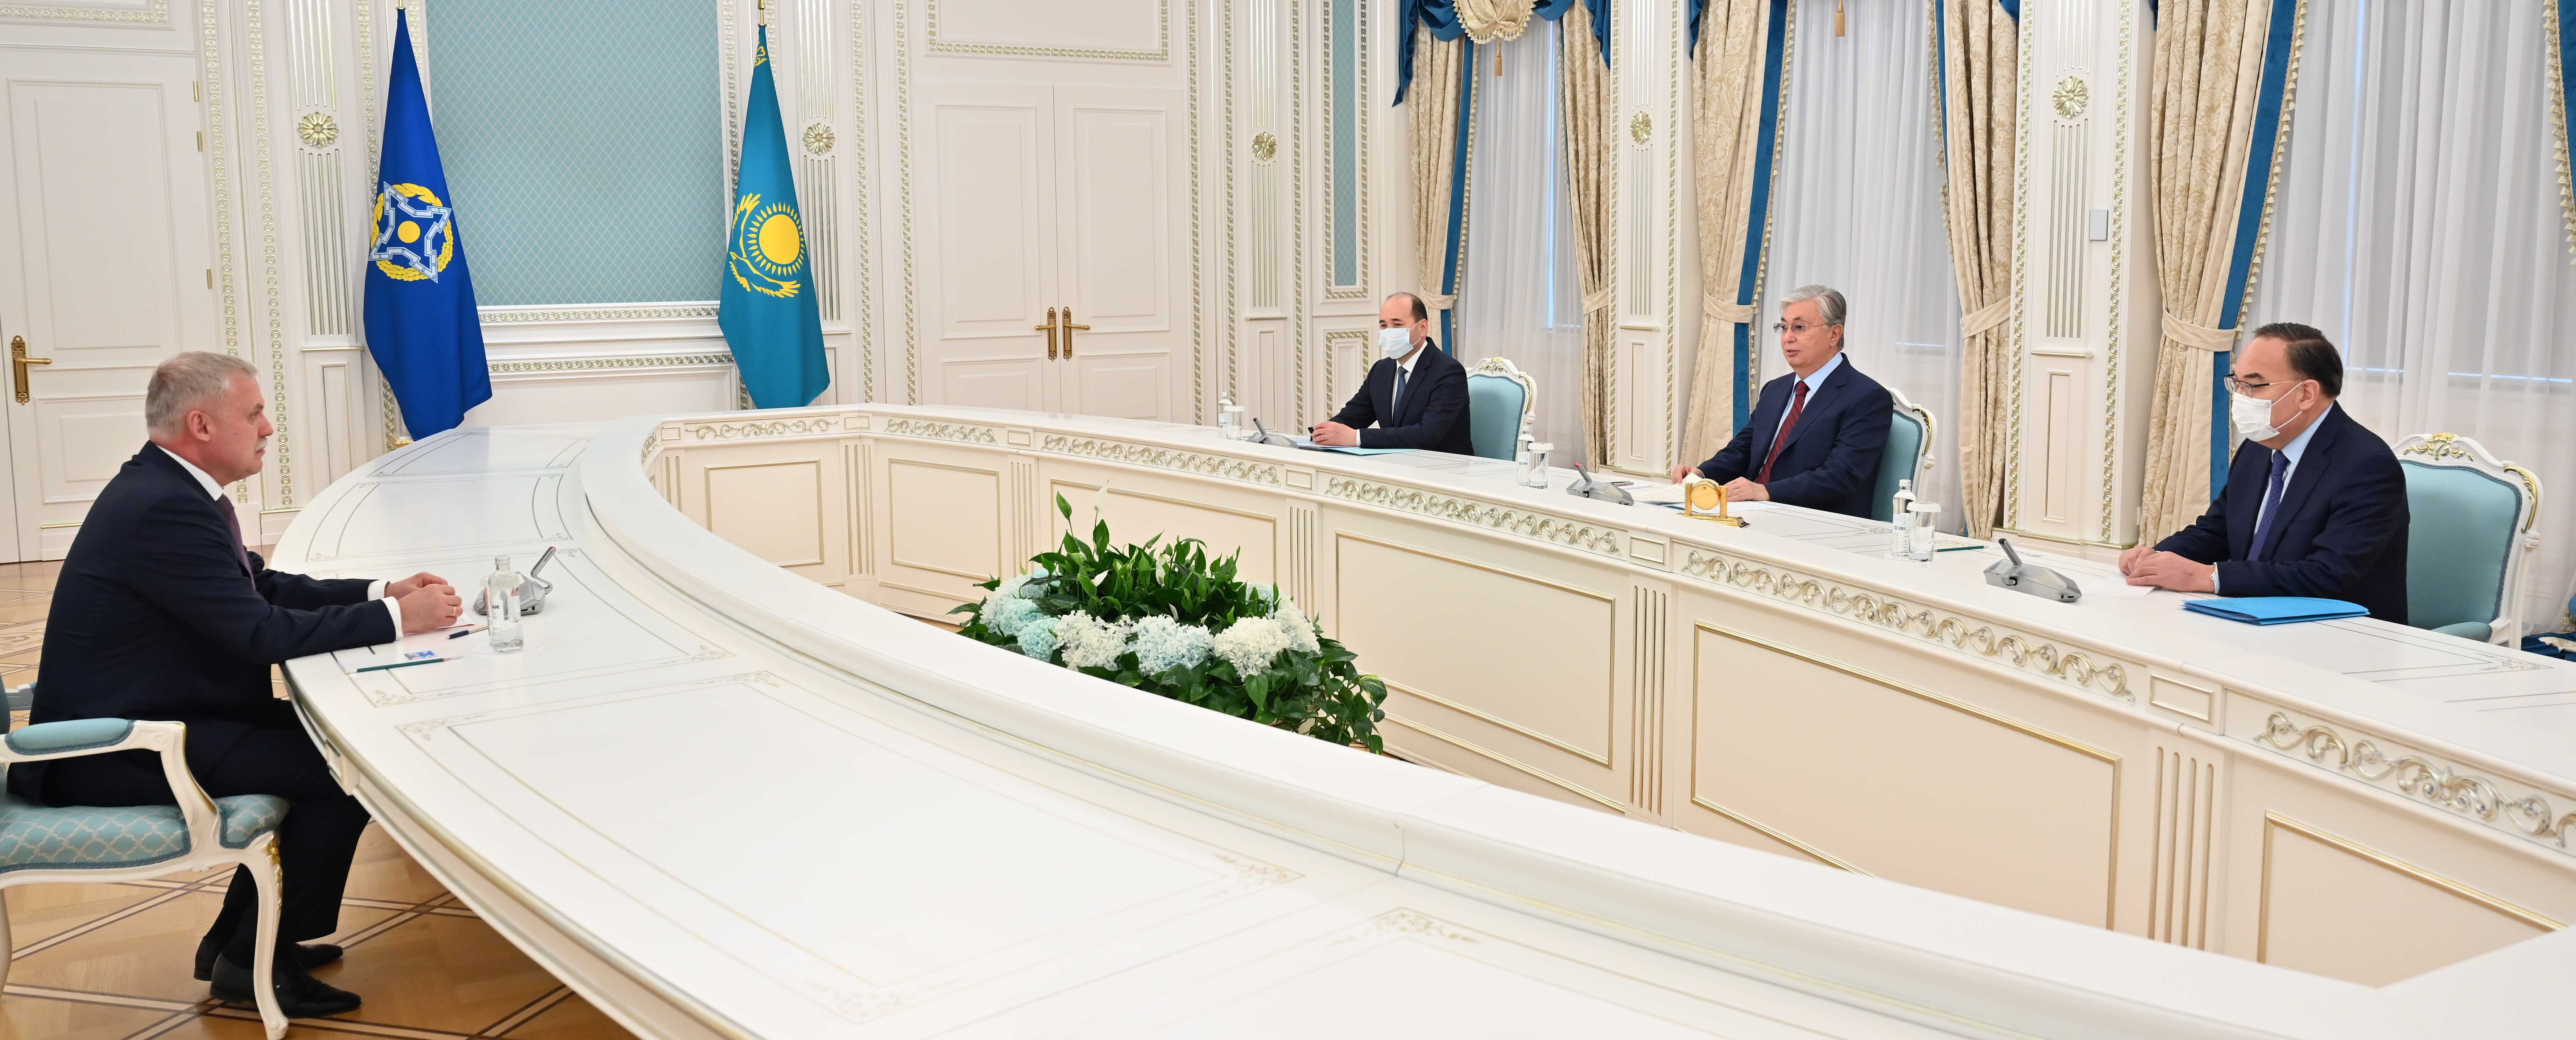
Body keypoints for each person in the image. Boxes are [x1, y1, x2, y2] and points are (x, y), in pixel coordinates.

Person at [8, 352, 464, 1016]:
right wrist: (398, 620)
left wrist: (382, 591)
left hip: (162, 710)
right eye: (254, 414)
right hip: (113, 749)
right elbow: (259, 633)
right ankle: (254, 960)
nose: (268, 428)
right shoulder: (163, 506)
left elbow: (260, 586)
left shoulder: (169, 489)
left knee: (340, 741)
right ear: (201, 424)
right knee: (350, 768)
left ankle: (238, 941)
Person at [2119, 323, 2408, 620]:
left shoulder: (2367, 465)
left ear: (2306, 394)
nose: (2240, 398)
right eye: (2237, 384)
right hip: (2250, 614)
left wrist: (2207, 577)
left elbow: (2327, 574)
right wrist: (2155, 557)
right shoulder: (2259, 446)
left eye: (2254, 386)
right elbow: (2218, 530)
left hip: (2340, 628)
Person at [1670, 285, 1893, 516]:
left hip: (1814, 521)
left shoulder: (1867, 398)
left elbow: (1840, 476)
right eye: (1784, 327)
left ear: (1835, 334)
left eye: (1800, 327)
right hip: (1750, 512)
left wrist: (1764, 491)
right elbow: (1741, 450)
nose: (1788, 338)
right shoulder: (1775, 389)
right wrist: (1701, 475)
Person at [1311, 291, 1474, 454]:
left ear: (1423, 328)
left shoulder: (1449, 372)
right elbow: (1352, 417)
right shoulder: (1381, 370)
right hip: (1394, 463)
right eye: (1383, 326)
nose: (1389, 332)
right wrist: (1321, 434)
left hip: (1442, 465)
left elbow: (1427, 435)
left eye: (1397, 325)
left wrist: (1356, 437)